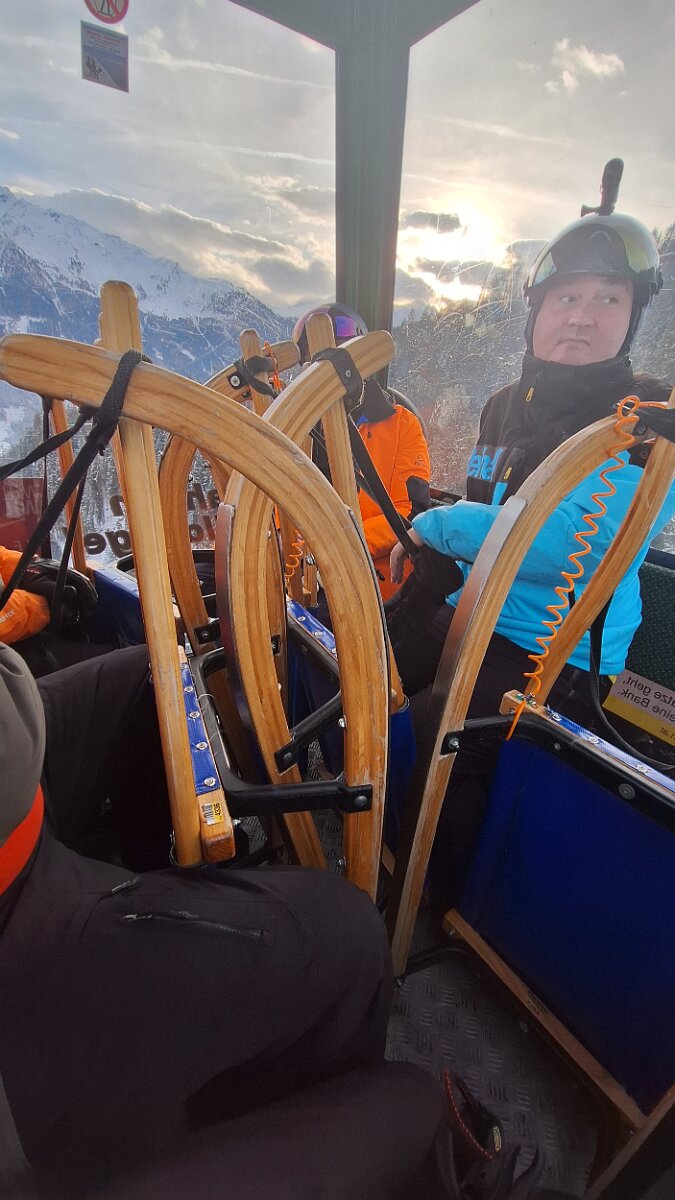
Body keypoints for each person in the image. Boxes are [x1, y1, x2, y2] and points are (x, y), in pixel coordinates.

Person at [0, 641, 452, 1199]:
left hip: (18, 803)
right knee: (351, 945)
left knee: (151, 673)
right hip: (14, 916)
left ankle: (158, 910)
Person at [388, 210, 675, 902]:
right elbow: (488, 501)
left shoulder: (653, 422)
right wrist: (438, 551)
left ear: (632, 317)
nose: (581, 316)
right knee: (369, 669)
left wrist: (438, 525)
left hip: (554, 648)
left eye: (608, 299)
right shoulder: (501, 407)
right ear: (537, 310)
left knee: (431, 733)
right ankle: (371, 826)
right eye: (566, 296)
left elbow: (561, 545)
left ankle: (433, 894)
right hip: (473, 610)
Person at [293, 304, 431, 599]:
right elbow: (281, 514)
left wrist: (334, 548)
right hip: (307, 583)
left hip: (379, 586)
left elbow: (409, 512)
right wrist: (302, 555)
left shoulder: (401, 425)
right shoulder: (296, 431)